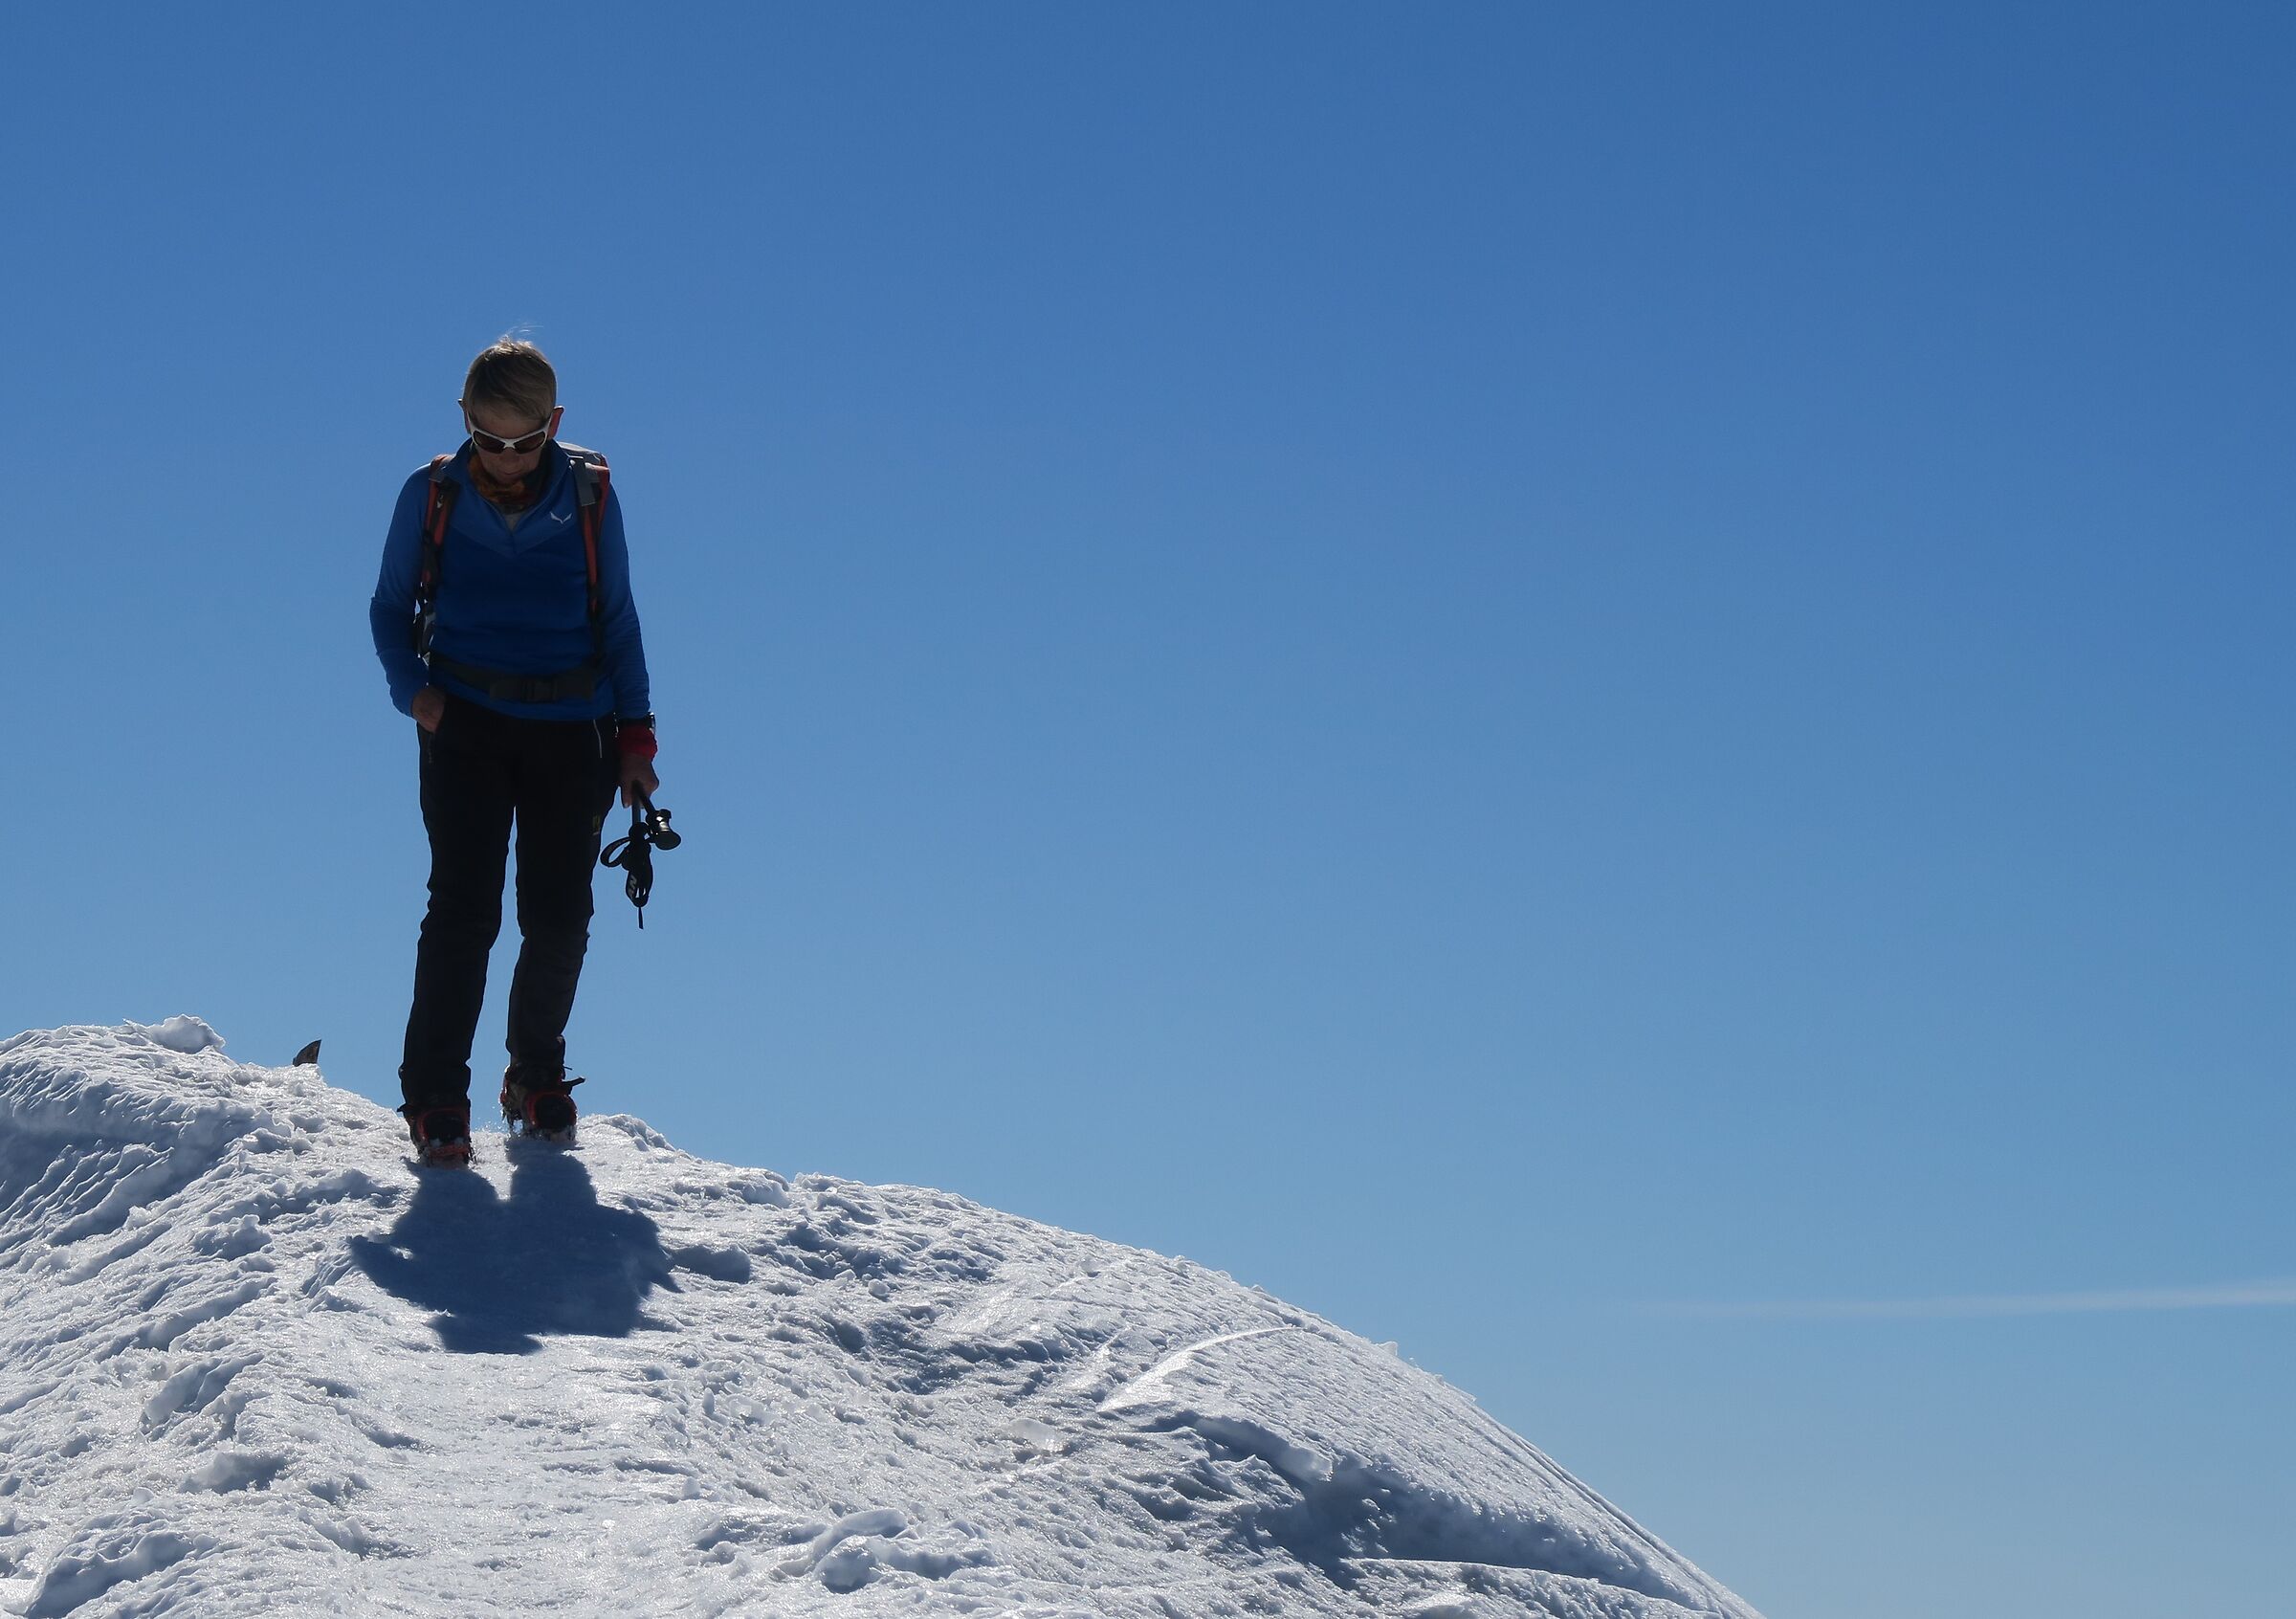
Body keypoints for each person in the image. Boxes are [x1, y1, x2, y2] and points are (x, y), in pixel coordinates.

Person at [368, 339, 659, 1164]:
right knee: (464, 910)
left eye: (523, 442)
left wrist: (636, 739)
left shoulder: (594, 496)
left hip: (576, 730)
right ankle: (435, 1096)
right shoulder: (430, 495)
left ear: (553, 424)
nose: (504, 459)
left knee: (560, 916)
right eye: (488, 441)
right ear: (465, 421)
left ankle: (534, 1077)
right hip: (464, 723)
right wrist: (413, 693)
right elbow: (390, 610)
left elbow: (620, 621)